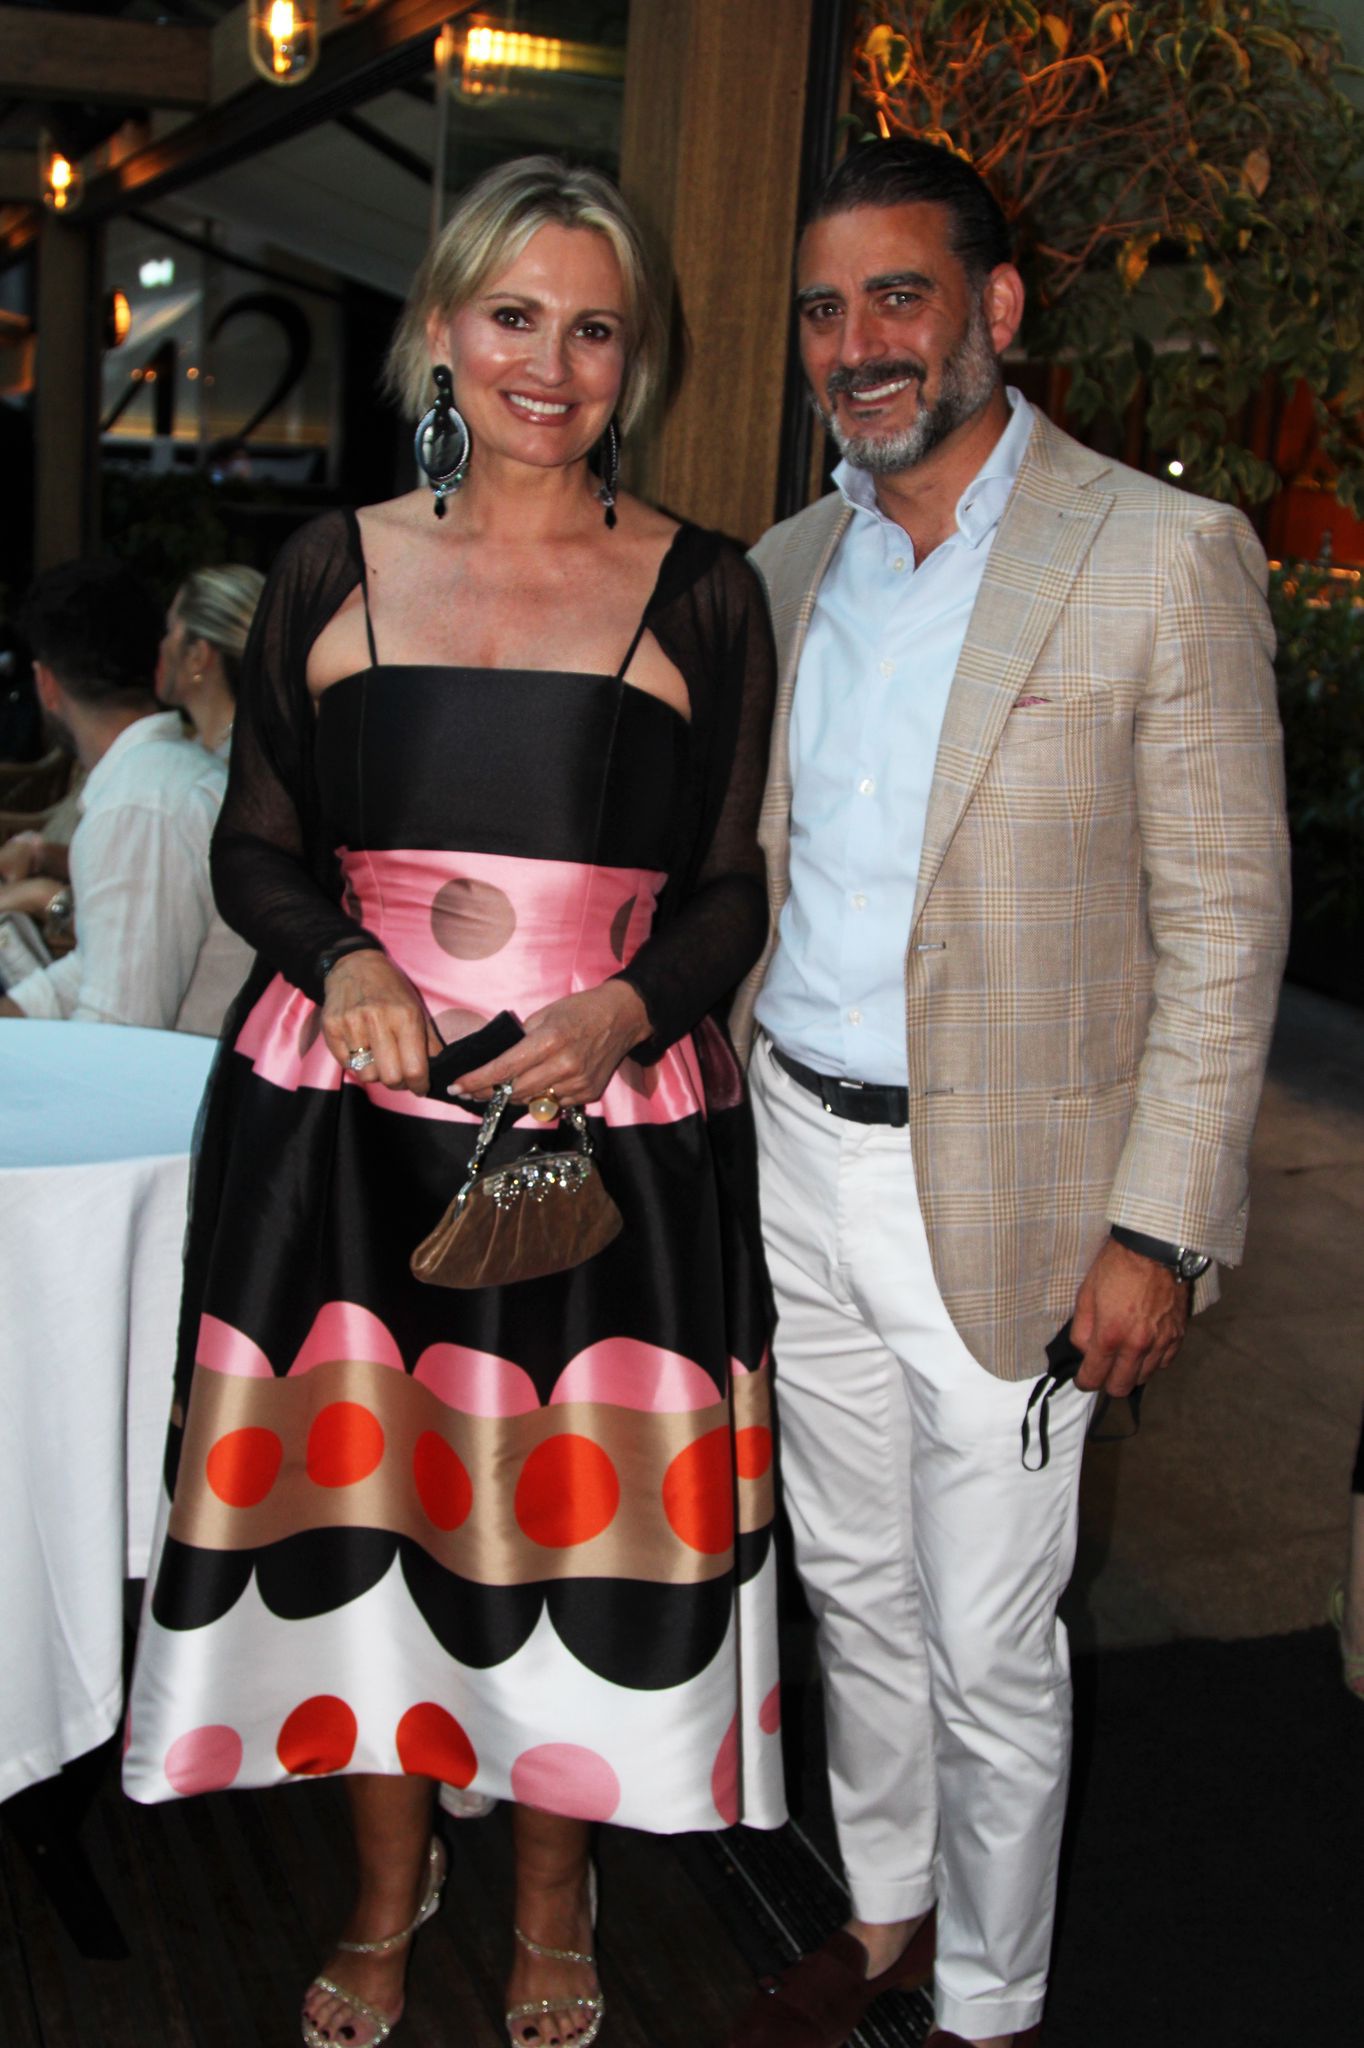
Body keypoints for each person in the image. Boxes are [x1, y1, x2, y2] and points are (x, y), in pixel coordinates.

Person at [123, 155, 783, 2048]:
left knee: (564, 1522)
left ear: (637, 358)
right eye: (514, 317)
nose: (550, 366)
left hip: (607, 1133)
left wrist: (628, 1008)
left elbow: (728, 887)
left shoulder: (706, 588)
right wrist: (340, 957)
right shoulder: (328, 567)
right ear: (439, 330)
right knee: (373, 1515)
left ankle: (556, 1897)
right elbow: (257, 849)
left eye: (595, 329)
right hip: (339, 1133)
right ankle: (381, 1886)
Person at [726, 138, 1291, 2048]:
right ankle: (881, 1910)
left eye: (895, 295)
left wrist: (1155, 1229)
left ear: (992, 305)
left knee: (985, 1628)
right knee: (849, 1579)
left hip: (1018, 1205)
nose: (855, 344)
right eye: (822, 309)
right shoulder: (785, 570)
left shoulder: (1154, 554)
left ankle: (987, 1997)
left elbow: (1222, 926)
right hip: (793, 1152)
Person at [0, 559, 253, 1035]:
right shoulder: (157, 778)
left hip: (184, 1076)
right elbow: (94, 966)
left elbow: (116, 1034)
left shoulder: (141, 805)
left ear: (46, 684)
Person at [155, 564, 266, 757]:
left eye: (170, 630)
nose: (162, 645)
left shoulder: (241, 761)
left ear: (197, 656)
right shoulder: (258, 745)